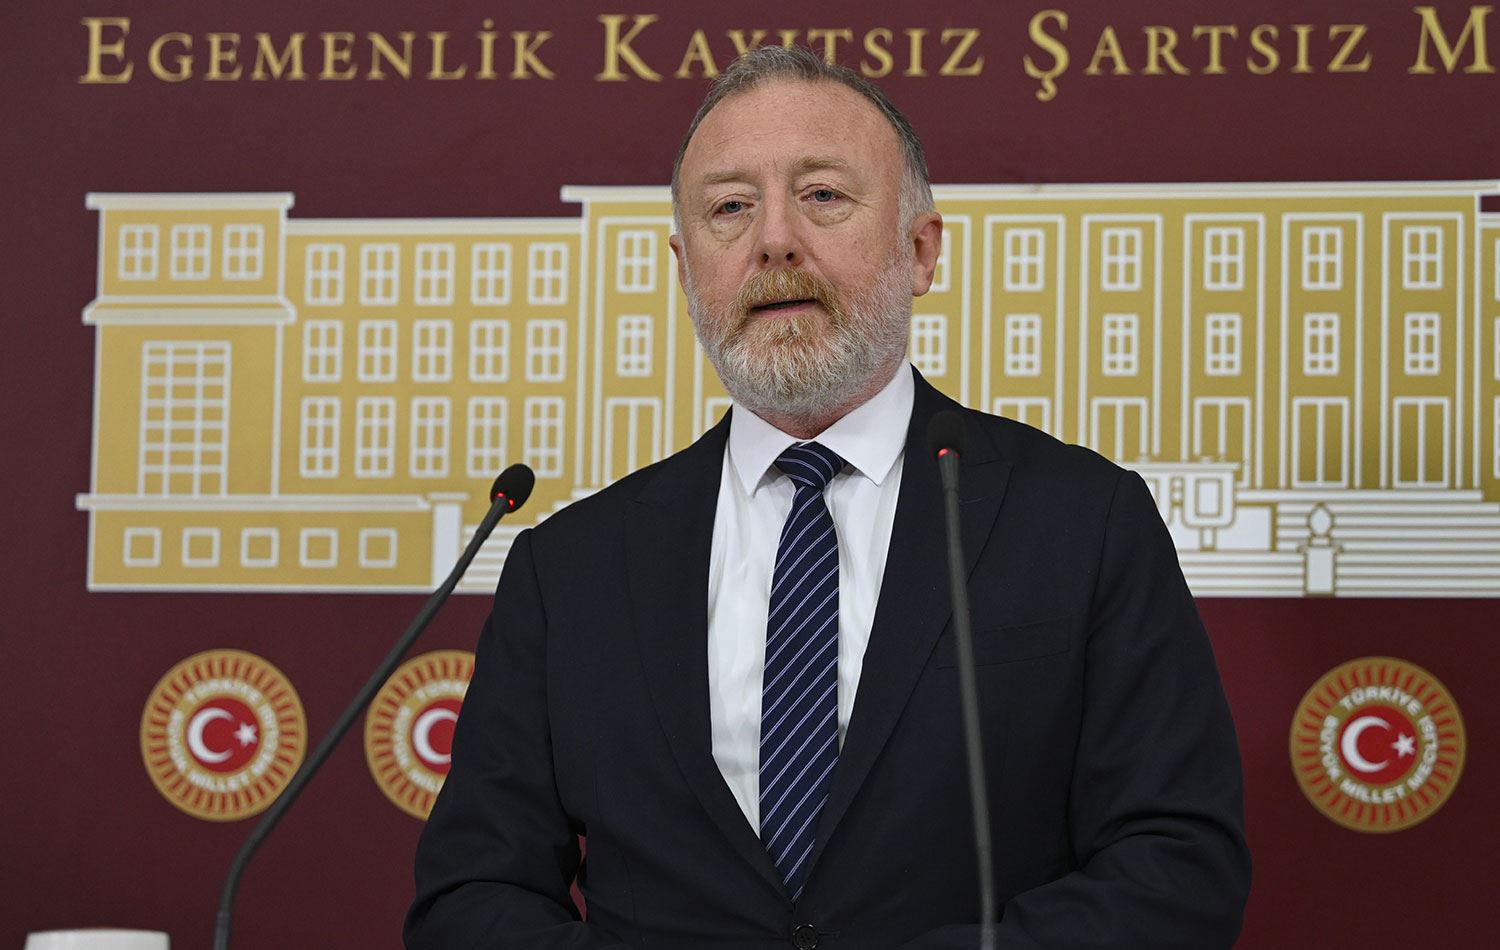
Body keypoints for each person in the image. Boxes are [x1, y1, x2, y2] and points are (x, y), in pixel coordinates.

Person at [407, 46, 1250, 949]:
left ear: (920, 250)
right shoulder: (568, 567)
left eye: (822, 195)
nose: (774, 240)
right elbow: (472, 898)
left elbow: (1177, 864)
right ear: (686, 271)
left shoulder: (1082, 521)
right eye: (731, 208)